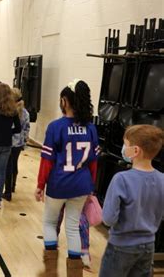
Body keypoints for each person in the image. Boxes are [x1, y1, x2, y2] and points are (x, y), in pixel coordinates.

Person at [34, 79, 98, 277]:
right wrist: (91, 187)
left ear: (65, 101)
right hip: (82, 185)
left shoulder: (56, 127)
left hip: (59, 184)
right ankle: (75, 274)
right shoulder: (91, 128)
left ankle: (51, 271)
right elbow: (94, 163)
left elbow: (47, 162)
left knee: (49, 223)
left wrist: (39, 185)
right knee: (72, 227)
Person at [99, 124, 164, 277]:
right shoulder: (162, 180)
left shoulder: (121, 179)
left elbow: (108, 219)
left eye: (125, 144)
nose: (123, 148)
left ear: (135, 151)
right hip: (148, 246)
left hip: (120, 246)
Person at [2, 88, 30, 201]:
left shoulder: (8, 111)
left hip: (9, 141)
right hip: (19, 143)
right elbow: (26, 128)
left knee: (8, 166)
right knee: (14, 164)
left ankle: (7, 192)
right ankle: (13, 186)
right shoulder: (25, 113)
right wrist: (24, 139)